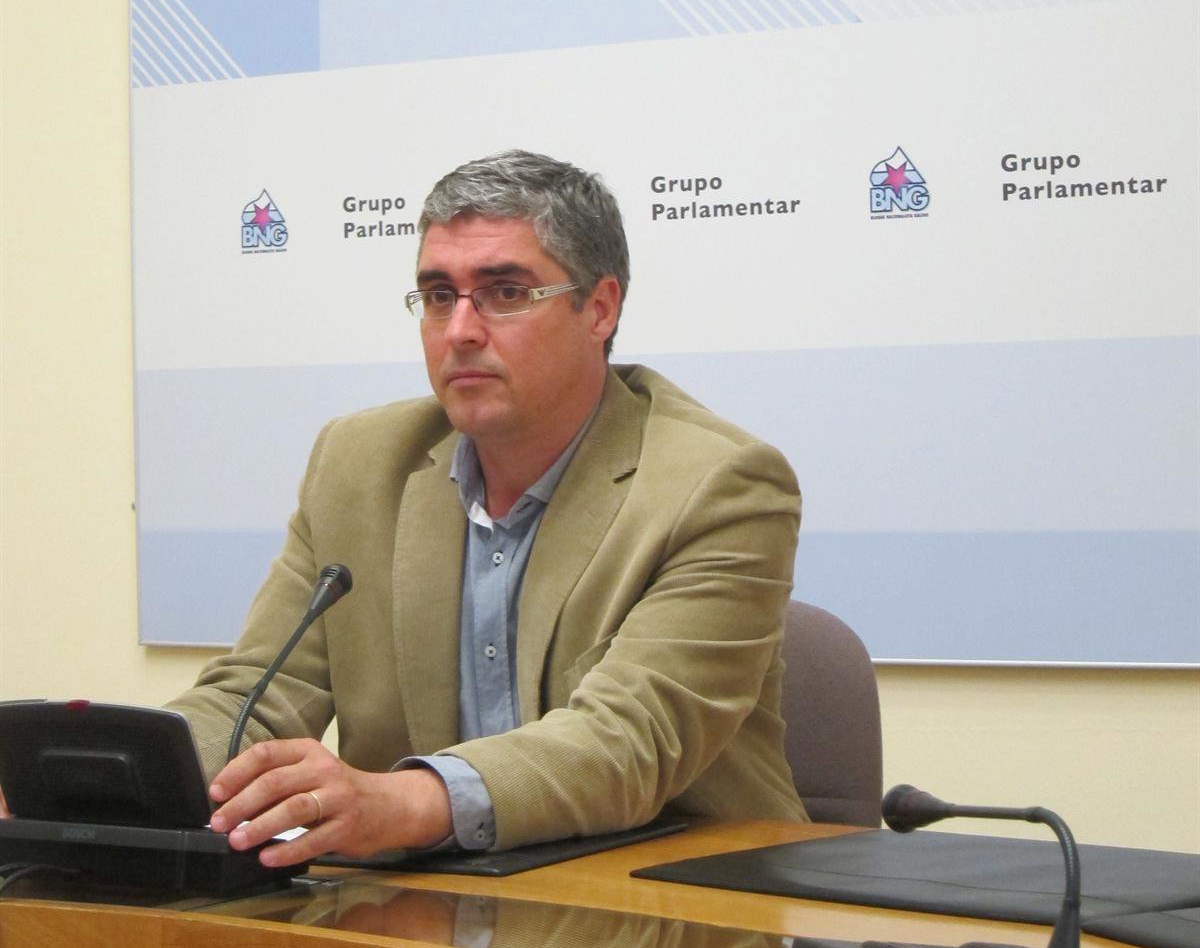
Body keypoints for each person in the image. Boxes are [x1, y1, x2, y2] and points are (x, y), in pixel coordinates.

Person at [171, 150, 805, 867]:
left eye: (505, 293)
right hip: (428, 901)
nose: (460, 330)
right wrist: (113, 770)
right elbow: (259, 697)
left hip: (672, 896)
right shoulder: (357, 465)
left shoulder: (719, 484)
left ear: (599, 309)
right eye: (439, 296)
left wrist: (401, 802)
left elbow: (628, 742)